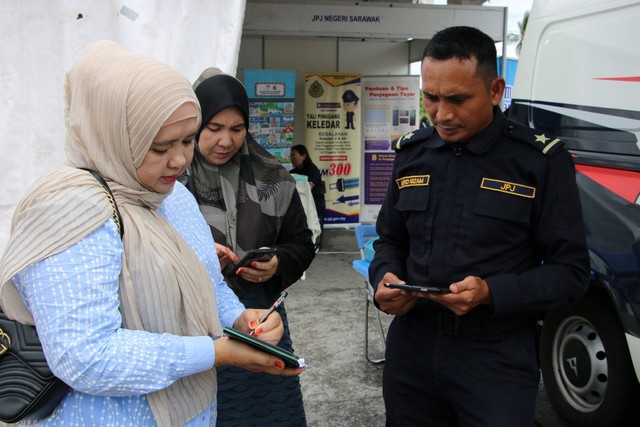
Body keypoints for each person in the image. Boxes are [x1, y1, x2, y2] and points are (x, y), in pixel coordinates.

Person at [0, 41, 304, 427]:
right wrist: (216, 352)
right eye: (160, 147)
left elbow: (208, 283)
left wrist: (240, 319)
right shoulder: (68, 210)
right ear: (112, 134)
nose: (180, 160)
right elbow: (86, 356)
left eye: (187, 140)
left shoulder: (172, 196)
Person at [370, 26, 590, 426]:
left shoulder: (539, 161)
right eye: (431, 97)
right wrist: (385, 278)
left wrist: (492, 292)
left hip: (496, 355)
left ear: (495, 90)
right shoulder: (413, 154)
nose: (442, 114)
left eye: (457, 99)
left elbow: (571, 273)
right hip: (412, 349)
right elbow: (390, 239)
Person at [180, 70, 315, 426]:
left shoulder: (273, 176)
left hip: (259, 321)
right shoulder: (170, 177)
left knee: (265, 413)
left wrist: (278, 262)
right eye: (214, 128)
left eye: (237, 129)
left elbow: (302, 243)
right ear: (196, 124)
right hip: (191, 323)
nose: (225, 140)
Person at [290, 144, 325, 251]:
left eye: (294, 155)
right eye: (291, 156)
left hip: (315, 203)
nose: (292, 158)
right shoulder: (292, 172)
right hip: (298, 203)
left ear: (303, 156)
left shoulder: (313, 170)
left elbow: (308, 188)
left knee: (298, 210)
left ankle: (307, 241)